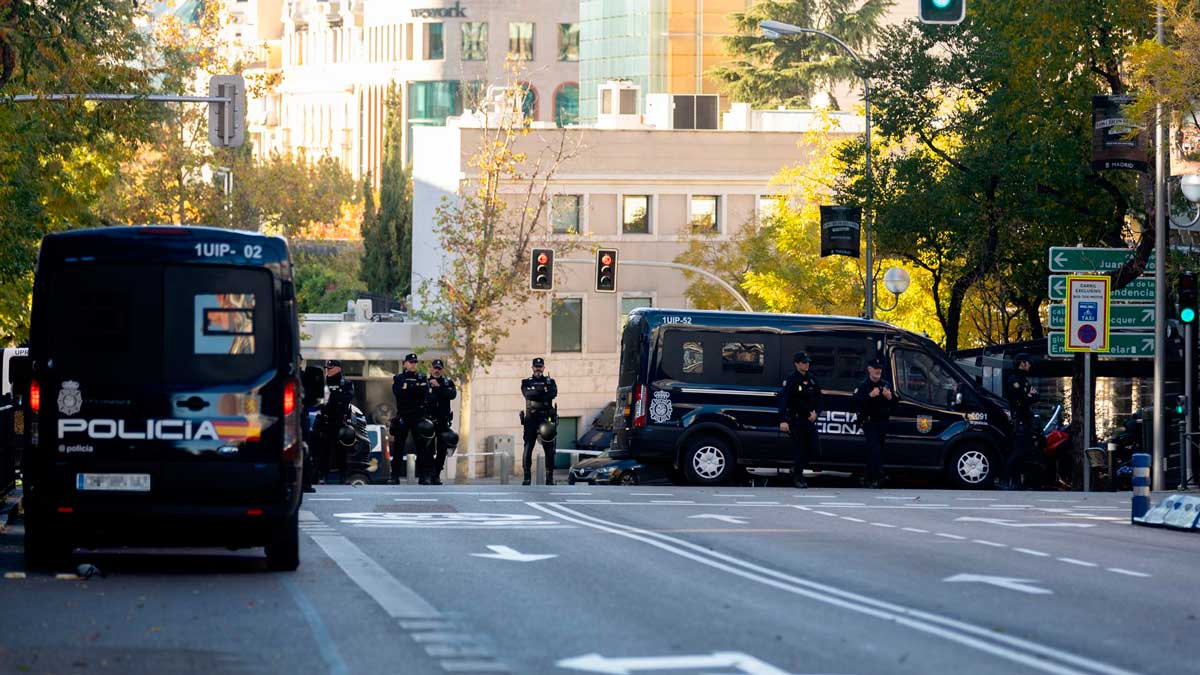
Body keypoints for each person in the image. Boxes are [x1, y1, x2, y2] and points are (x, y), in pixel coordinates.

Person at [778, 352, 822, 489]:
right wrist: (783, 419)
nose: (806, 364)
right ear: (796, 364)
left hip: (810, 420)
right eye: (803, 362)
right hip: (797, 420)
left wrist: (817, 413)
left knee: (814, 449)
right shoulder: (791, 379)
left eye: (808, 362)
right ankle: (798, 477)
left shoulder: (812, 379)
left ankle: (796, 468)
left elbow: (819, 399)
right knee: (800, 449)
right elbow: (784, 400)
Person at [853, 358, 898, 489]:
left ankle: (868, 478)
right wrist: (870, 396)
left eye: (880, 368)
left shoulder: (886, 385)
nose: (878, 370)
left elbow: (895, 402)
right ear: (869, 370)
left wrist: (890, 397)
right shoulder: (863, 386)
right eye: (875, 368)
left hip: (882, 423)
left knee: (877, 451)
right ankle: (878, 476)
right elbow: (856, 402)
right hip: (869, 422)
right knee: (875, 449)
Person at [391, 353, 432, 485]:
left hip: (418, 417)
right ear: (405, 364)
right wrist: (415, 389)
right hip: (403, 415)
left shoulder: (422, 377)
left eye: (415, 362)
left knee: (422, 448)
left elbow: (424, 391)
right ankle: (394, 476)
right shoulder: (398, 378)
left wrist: (408, 388)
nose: (413, 364)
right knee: (398, 447)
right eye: (410, 362)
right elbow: (399, 393)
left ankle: (424, 477)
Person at [313, 359, 355, 483]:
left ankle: (343, 475)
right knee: (323, 450)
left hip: (339, 421)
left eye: (330, 368)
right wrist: (333, 399)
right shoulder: (322, 383)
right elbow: (317, 400)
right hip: (325, 421)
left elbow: (347, 398)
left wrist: (332, 398)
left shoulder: (346, 383)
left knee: (340, 450)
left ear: (338, 368)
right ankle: (322, 475)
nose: (328, 370)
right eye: (326, 368)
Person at [1002, 353, 1038, 490]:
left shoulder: (1024, 379)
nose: (1030, 365)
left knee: (1023, 451)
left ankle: (1017, 482)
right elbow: (1022, 400)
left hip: (1025, 419)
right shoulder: (1014, 380)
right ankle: (1005, 479)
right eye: (1028, 362)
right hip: (1020, 420)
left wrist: (1030, 396)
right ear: (1022, 363)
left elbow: (1035, 396)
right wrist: (1029, 396)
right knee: (1018, 451)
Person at [520, 357, 558, 486]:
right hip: (531, 418)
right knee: (528, 447)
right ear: (532, 368)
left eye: (540, 367)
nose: (538, 369)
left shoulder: (551, 381)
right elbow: (528, 395)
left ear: (543, 368)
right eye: (536, 367)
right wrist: (543, 391)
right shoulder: (526, 382)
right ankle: (527, 478)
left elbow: (552, 394)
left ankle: (549, 478)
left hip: (545, 418)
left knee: (549, 448)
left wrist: (536, 392)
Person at [426, 358, 458, 486]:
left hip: (443, 422)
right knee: (427, 450)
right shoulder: (425, 382)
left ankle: (436, 475)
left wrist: (438, 387)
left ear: (442, 370)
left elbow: (451, 395)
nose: (437, 370)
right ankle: (427, 474)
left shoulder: (447, 382)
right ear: (431, 368)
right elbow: (426, 397)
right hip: (428, 422)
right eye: (435, 368)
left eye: (439, 368)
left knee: (442, 450)